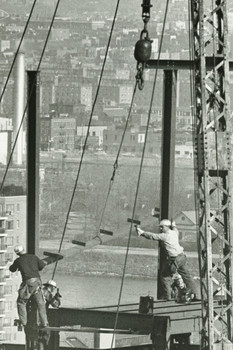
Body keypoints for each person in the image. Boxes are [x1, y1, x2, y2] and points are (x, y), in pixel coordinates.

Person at [136, 219, 200, 301]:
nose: (161, 229)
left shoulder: (165, 236)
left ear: (166, 227)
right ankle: (196, 295)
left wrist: (142, 233)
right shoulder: (174, 233)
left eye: (162, 227)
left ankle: (168, 297)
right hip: (182, 257)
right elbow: (175, 229)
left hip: (175, 259)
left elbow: (153, 236)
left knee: (165, 277)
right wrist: (174, 225)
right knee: (187, 277)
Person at [9, 245, 48, 327]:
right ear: (24, 250)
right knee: (40, 303)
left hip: (28, 283)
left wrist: (11, 263)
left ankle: (23, 322)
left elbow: (12, 269)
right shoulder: (34, 257)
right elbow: (41, 266)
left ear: (17, 253)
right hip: (37, 282)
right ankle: (44, 322)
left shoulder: (18, 260)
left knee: (21, 302)